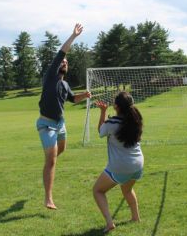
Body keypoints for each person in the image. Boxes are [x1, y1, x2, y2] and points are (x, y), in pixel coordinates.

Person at [38, 23, 91, 210]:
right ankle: (48, 198)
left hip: (60, 125)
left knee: (59, 152)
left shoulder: (65, 84)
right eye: (63, 62)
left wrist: (83, 96)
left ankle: (48, 163)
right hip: (46, 124)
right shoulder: (50, 76)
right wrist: (73, 36)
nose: (64, 63)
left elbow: (72, 99)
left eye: (66, 63)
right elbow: (61, 53)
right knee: (52, 159)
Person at [93, 91, 144, 233]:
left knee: (98, 190)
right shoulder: (135, 120)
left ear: (115, 106)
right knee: (127, 189)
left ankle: (109, 223)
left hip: (122, 166)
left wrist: (103, 111)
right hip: (138, 164)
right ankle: (136, 217)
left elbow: (101, 131)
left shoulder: (111, 123)